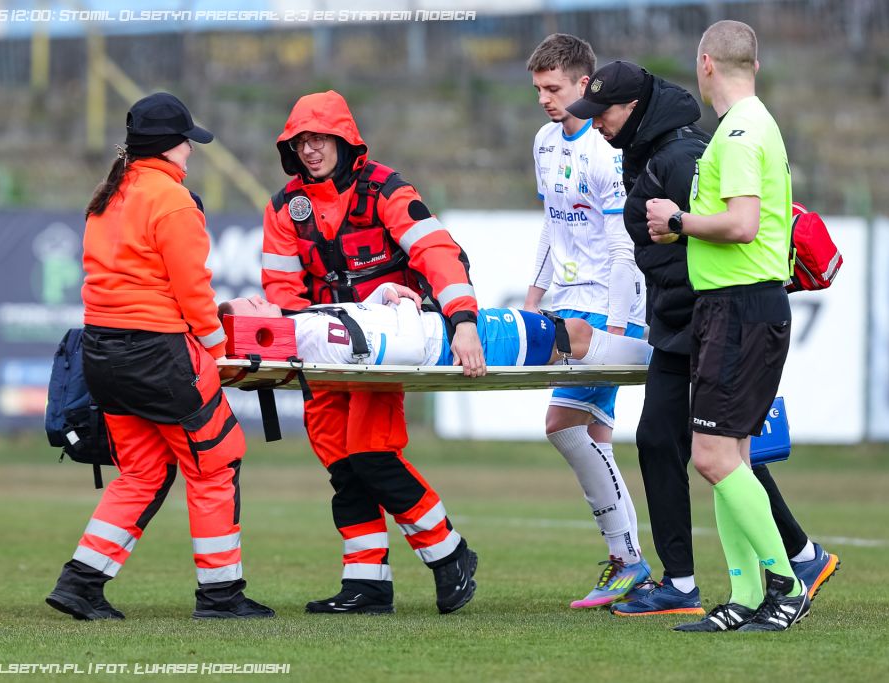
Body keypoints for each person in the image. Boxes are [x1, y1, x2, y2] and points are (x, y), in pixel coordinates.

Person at [566, 60, 840, 617]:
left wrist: (679, 233)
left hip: (708, 315)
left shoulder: (687, 151)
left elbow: (727, 231)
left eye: (603, 112)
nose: (595, 123)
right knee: (690, 445)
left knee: (716, 450)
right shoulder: (655, 150)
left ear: (634, 109)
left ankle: (771, 571)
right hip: (682, 318)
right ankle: (778, 562)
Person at [46, 93, 274, 620]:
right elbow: (192, 291)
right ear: (170, 146)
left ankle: (80, 583)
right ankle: (220, 595)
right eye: (187, 143)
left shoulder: (108, 195)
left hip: (102, 353)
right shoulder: (173, 201)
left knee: (142, 473)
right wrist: (218, 352)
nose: (191, 152)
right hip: (158, 354)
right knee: (217, 462)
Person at [261, 90, 483, 615]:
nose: (310, 150)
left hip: (383, 348)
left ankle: (449, 553)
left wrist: (464, 321)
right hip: (323, 352)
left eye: (320, 139)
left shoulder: (386, 189)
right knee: (344, 467)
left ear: (345, 140)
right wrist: (293, 349)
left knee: (371, 456)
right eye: (300, 141)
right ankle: (367, 583)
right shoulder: (284, 208)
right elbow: (281, 292)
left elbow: (438, 253)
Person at [645, 20, 812, 632]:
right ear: (754, 65)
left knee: (712, 456)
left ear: (705, 64)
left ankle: (786, 584)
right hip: (738, 307)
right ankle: (744, 596)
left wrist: (678, 221)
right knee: (728, 455)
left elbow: (742, 224)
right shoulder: (755, 123)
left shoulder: (739, 133)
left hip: (740, 308)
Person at [524, 34, 653, 609]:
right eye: (538, 89)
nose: (545, 99)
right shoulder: (544, 142)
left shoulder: (608, 151)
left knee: (562, 426)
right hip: (565, 302)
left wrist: (619, 328)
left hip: (606, 305)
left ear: (584, 84)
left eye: (554, 88)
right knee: (593, 435)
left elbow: (624, 247)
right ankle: (627, 564)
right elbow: (552, 226)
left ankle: (630, 559)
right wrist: (534, 299)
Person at [220, 282, 653, 368]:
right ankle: (665, 362)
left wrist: (381, 294)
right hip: (452, 343)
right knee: (569, 335)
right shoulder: (312, 334)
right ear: (255, 332)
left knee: (568, 335)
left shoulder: (301, 326)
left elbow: (357, 326)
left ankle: (664, 359)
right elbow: (402, 351)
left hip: (445, 331)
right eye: (252, 305)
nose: (259, 297)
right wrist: (411, 311)